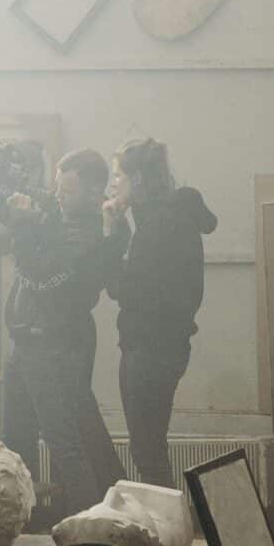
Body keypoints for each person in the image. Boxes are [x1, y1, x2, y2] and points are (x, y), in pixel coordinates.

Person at [0, 147, 129, 521]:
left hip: (53, 344)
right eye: (57, 188)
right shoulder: (61, 215)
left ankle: (94, 533)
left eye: (67, 191)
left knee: (64, 443)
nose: (58, 197)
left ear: (93, 193)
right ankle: (21, 528)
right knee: (16, 443)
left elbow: (39, 278)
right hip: (28, 340)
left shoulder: (89, 232)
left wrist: (23, 226)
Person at [106, 138, 216, 490]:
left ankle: (168, 520)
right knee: (150, 448)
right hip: (165, 347)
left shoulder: (158, 226)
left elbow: (123, 290)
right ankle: (167, 518)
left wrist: (114, 235)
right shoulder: (171, 217)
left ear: (137, 178)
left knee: (147, 451)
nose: (113, 184)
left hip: (149, 349)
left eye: (118, 175)